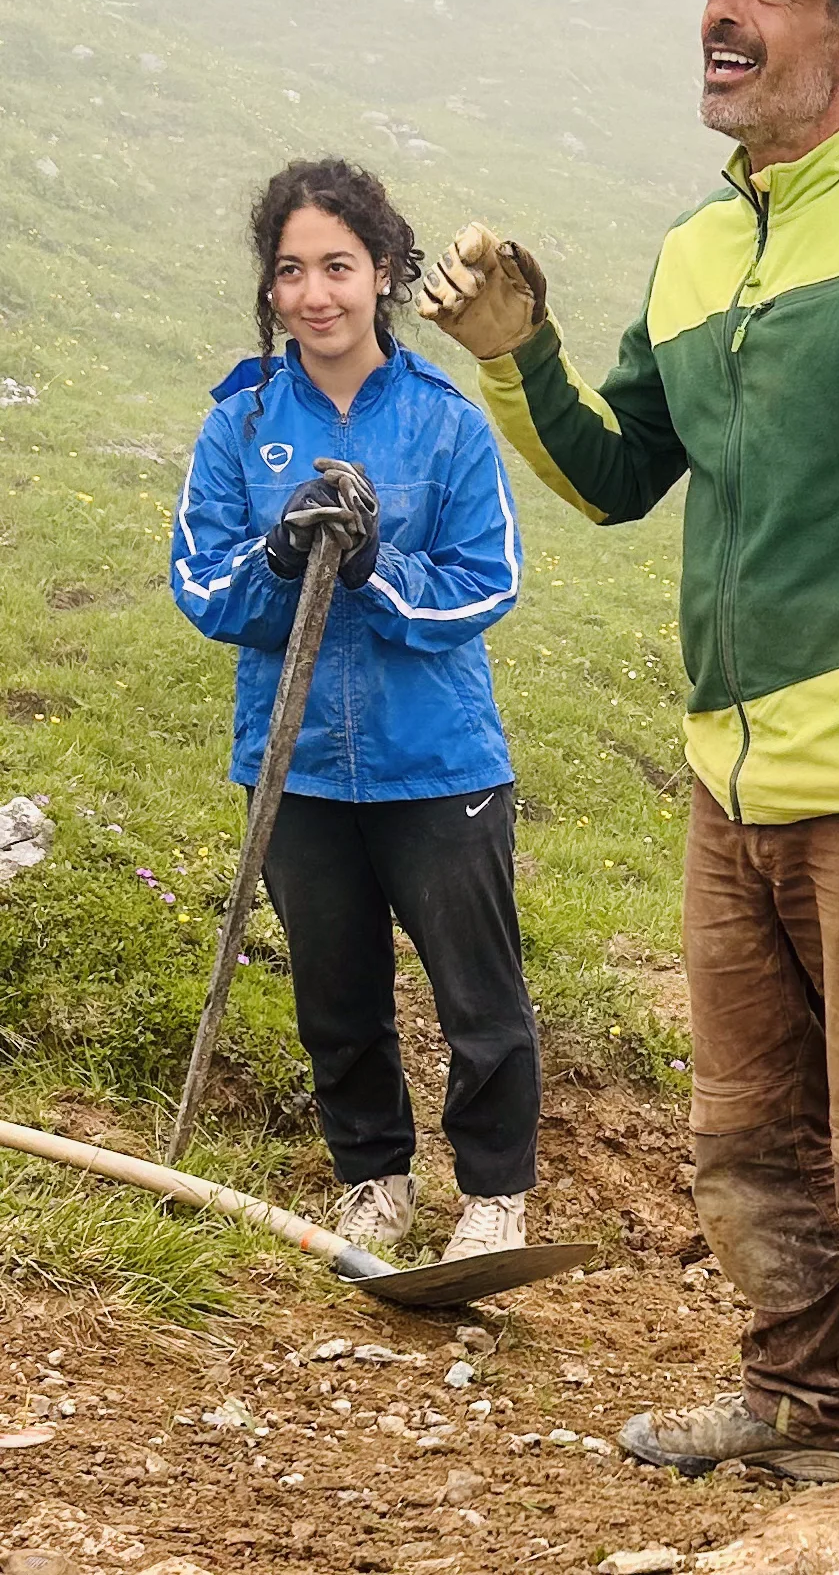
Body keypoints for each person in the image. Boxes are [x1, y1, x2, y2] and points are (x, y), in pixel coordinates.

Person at [418, 0, 839, 1525]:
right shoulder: (701, 249)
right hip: (734, 786)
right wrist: (517, 360)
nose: (721, 9)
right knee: (747, 1138)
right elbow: (628, 473)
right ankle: (798, 1403)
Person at [171, 158, 538, 1258]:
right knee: (336, 994)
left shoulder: (445, 423)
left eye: (338, 266)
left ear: (381, 272)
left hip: (439, 763)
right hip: (297, 768)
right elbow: (201, 586)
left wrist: (375, 567)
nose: (314, 293)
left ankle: (493, 1198)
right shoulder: (238, 425)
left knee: (480, 997)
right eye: (291, 271)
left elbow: (489, 581)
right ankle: (373, 1178)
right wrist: (281, 557)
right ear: (271, 289)